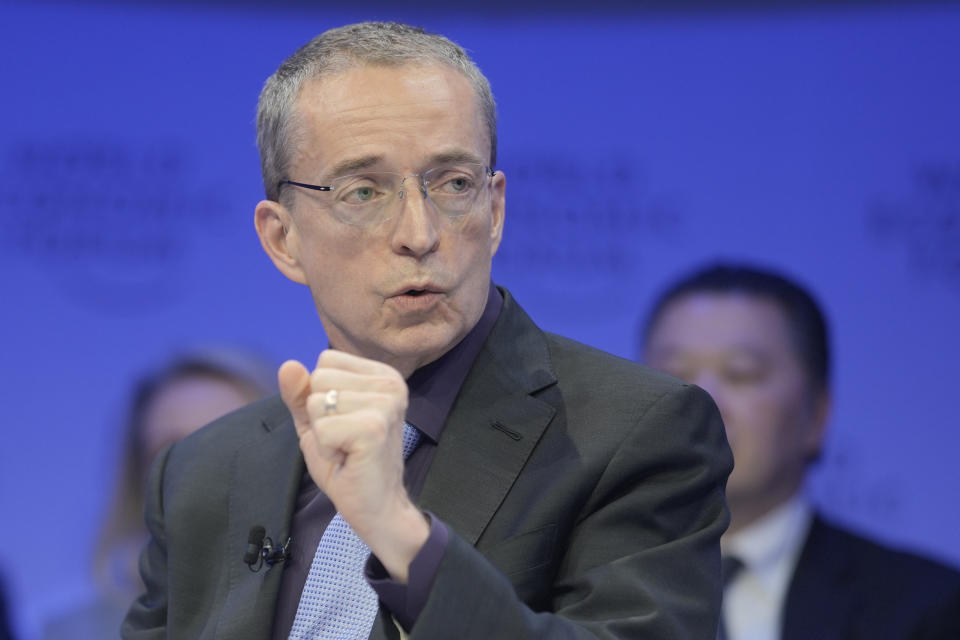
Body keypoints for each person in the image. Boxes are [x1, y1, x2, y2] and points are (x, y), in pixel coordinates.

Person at [122, 22, 733, 639]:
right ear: (284, 240)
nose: (419, 233)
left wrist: (398, 531)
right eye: (363, 191)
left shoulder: (638, 433)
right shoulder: (201, 472)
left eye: (453, 184)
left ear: (495, 211)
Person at [640, 262, 960, 640]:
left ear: (817, 414)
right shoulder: (570, 587)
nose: (702, 402)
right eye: (673, 373)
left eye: (741, 373)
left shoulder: (926, 607)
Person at [43, 349, 275, 640]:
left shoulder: (332, 604)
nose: (202, 469)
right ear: (139, 482)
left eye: (228, 440)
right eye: (172, 451)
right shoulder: (77, 632)